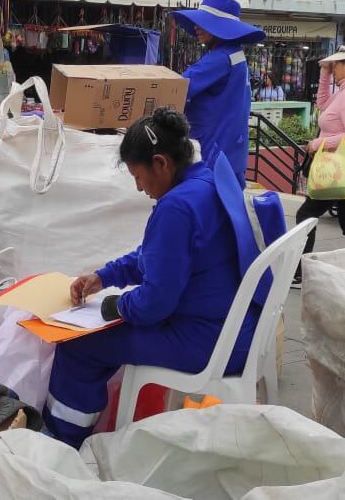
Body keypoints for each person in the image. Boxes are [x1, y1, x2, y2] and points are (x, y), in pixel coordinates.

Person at [43, 109, 264, 448]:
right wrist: (105, 277)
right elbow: (155, 256)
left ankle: (61, 440)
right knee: (105, 332)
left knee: (78, 344)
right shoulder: (208, 183)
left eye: (138, 176)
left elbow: (153, 306)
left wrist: (115, 306)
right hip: (235, 330)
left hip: (206, 341)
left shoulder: (176, 208)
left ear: (161, 164)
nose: (138, 186)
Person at [292, 43, 345, 283]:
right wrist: (325, 73)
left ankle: (299, 272)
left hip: (342, 169)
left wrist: (318, 144)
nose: (334, 66)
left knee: (306, 215)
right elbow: (324, 105)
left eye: (337, 63)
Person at [171, 0, 265, 189]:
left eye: (203, 23)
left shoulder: (220, 58)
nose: (196, 27)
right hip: (230, 153)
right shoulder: (235, 55)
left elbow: (177, 89)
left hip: (212, 154)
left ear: (219, 27)